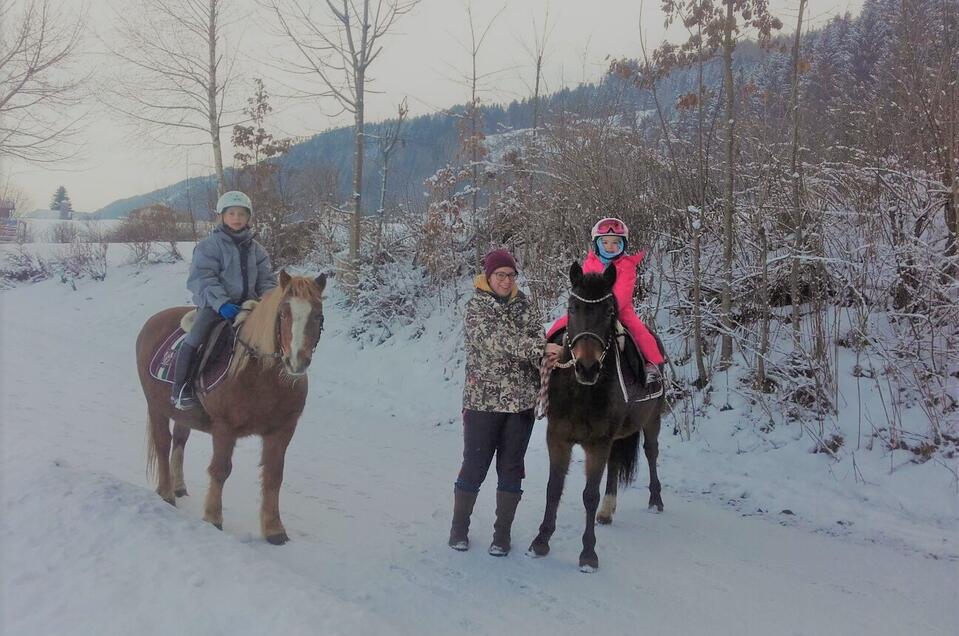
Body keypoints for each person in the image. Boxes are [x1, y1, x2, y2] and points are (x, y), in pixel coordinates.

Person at [449, 248, 556, 556]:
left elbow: (538, 336)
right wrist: (541, 347)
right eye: (500, 275)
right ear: (488, 276)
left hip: (520, 404)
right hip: (483, 402)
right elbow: (497, 342)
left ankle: (502, 535)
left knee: (511, 469)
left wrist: (549, 352)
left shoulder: (526, 305)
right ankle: (458, 529)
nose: (506, 281)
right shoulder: (476, 307)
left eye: (511, 275)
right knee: (474, 466)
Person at [170, 191, 277, 409]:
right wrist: (222, 303)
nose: (236, 218)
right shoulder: (209, 246)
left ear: (248, 218)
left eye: (241, 214)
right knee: (197, 336)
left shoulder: (257, 250)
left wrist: (270, 299)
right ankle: (181, 388)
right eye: (231, 213)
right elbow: (203, 278)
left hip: (250, 306)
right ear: (222, 216)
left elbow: (266, 280)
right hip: (215, 305)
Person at [545, 217, 664, 384]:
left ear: (623, 246)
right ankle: (545, 351)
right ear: (597, 244)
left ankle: (652, 365)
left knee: (639, 331)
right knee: (561, 324)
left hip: (620, 311)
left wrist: (606, 306)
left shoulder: (626, 266)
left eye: (616, 243)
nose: (610, 246)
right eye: (605, 242)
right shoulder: (590, 263)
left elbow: (622, 295)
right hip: (590, 310)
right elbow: (583, 289)